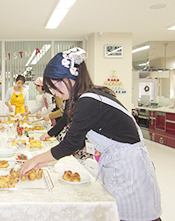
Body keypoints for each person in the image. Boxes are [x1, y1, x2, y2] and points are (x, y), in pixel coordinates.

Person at [20, 48, 161, 221]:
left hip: (128, 166)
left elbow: (71, 143)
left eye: (53, 87)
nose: (54, 93)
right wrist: (46, 159)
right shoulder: (87, 97)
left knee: (135, 215)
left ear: (67, 79)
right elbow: (77, 142)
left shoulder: (88, 100)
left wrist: (36, 160)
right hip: (120, 161)